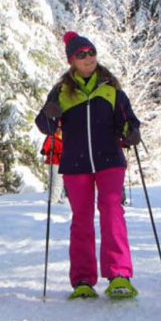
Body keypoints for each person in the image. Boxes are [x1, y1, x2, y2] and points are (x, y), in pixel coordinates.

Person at [35, 32, 142, 299]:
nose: (88, 58)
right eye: (81, 54)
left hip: (110, 160)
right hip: (75, 163)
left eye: (91, 52)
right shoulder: (62, 91)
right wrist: (49, 115)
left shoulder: (110, 87)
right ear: (72, 60)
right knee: (81, 220)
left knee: (112, 212)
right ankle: (83, 279)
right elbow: (44, 125)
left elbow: (128, 119)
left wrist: (131, 131)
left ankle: (119, 275)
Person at [41, 128, 65, 203]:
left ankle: (57, 197)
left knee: (60, 181)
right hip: (54, 161)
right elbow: (46, 144)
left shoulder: (65, 136)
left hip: (61, 161)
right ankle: (53, 199)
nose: (59, 130)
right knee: (56, 181)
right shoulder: (52, 136)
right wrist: (44, 150)